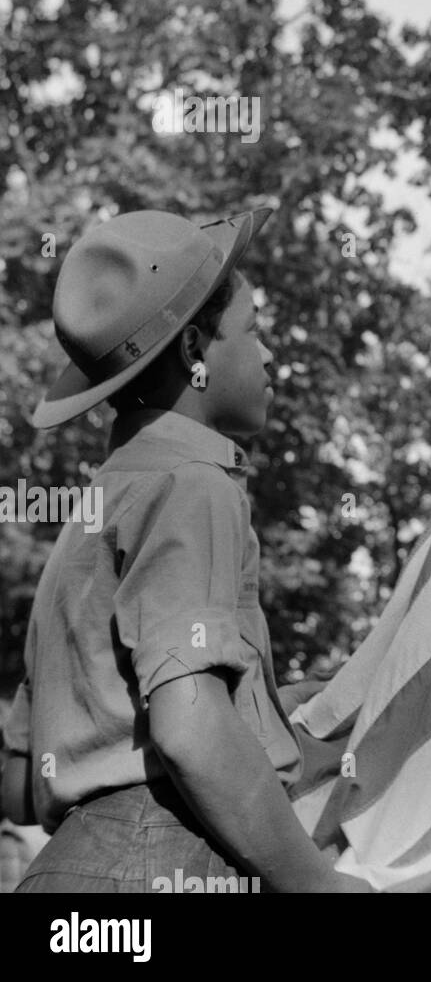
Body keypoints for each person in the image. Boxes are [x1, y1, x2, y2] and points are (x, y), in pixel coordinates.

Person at [0, 208, 369, 893]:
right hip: (164, 861)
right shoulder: (197, 485)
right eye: (254, 330)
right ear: (196, 349)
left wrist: (278, 707)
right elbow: (188, 724)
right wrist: (318, 882)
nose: (267, 355)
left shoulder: (87, 522)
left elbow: (22, 785)